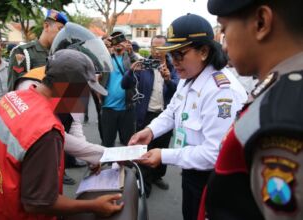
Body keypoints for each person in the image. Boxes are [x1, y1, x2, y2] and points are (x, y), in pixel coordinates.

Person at [0, 49, 124, 219]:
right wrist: (93, 206)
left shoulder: (13, 98)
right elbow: (38, 203)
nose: (85, 97)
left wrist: (92, 156)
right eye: (85, 90)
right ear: (69, 87)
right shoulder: (46, 131)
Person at [128, 14, 248, 220]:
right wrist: (150, 131)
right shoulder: (188, 77)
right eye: (171, 55)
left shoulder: (221, 92)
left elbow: (214, 154)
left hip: (211, 179)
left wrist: (163, 155)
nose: (173, 62)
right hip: (191, 169)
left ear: (203, 51)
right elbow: (172, 111)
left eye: (179, 55)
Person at [197, 1, 303, 220]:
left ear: (261, 22)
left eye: (225, 30)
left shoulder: (280, 120)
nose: (224, 47)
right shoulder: (280, 91)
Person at [15, 22, 114, 184]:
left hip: (53, 150)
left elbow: (74, 125)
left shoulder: (70, 81)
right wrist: (101, 154)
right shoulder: (31, 83)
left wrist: (90, 157)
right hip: (29, 155)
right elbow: (51, 134)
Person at [122, 35, 179, 197]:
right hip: (146, 116)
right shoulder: (143, 65)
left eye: (161, 48)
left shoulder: (174, 66)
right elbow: (125, 85)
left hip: (166, 117)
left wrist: (168, 79)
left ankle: (157, 176)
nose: (157, 51)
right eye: (154, 47)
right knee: (145, 151)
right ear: (151, 47)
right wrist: (131, 71)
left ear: (166, 48)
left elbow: (179, 91)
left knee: (162, 149)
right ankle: (144, 184)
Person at [7, 9, 68, 91]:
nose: (62, 35)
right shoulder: (24, 52)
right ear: (46, 26)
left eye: (64, 32)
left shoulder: (60, 54)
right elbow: (14, 89)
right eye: (60, 29)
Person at [100, 32, 138, 147]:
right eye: (114, 40)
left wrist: (131, 53)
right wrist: (102, 46)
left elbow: (138, 65)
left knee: (127, 142)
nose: (118, 43)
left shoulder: (129, 57)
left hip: (127, 107)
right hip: (108, 107)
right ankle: (108, 164)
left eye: (121, 40)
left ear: (126, 42)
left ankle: (125, 164)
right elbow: (94, 61)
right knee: (107, 142)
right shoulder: (105, 57)